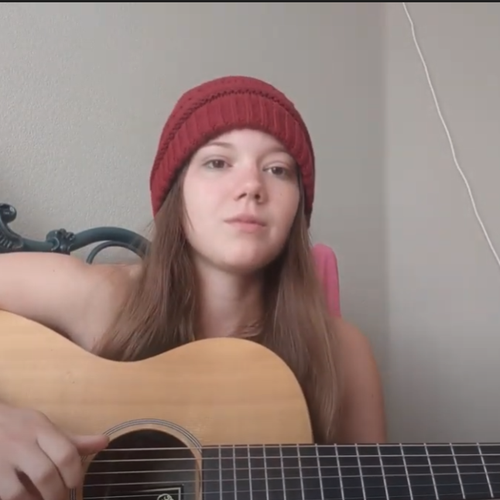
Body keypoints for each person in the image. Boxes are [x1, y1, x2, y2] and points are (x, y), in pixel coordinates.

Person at [0, 75, 386, 500]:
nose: (251, 186)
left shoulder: (342, 352)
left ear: (298, 206)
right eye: (218, 162)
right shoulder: (96, 295)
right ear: (176, 191)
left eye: (277, 169)